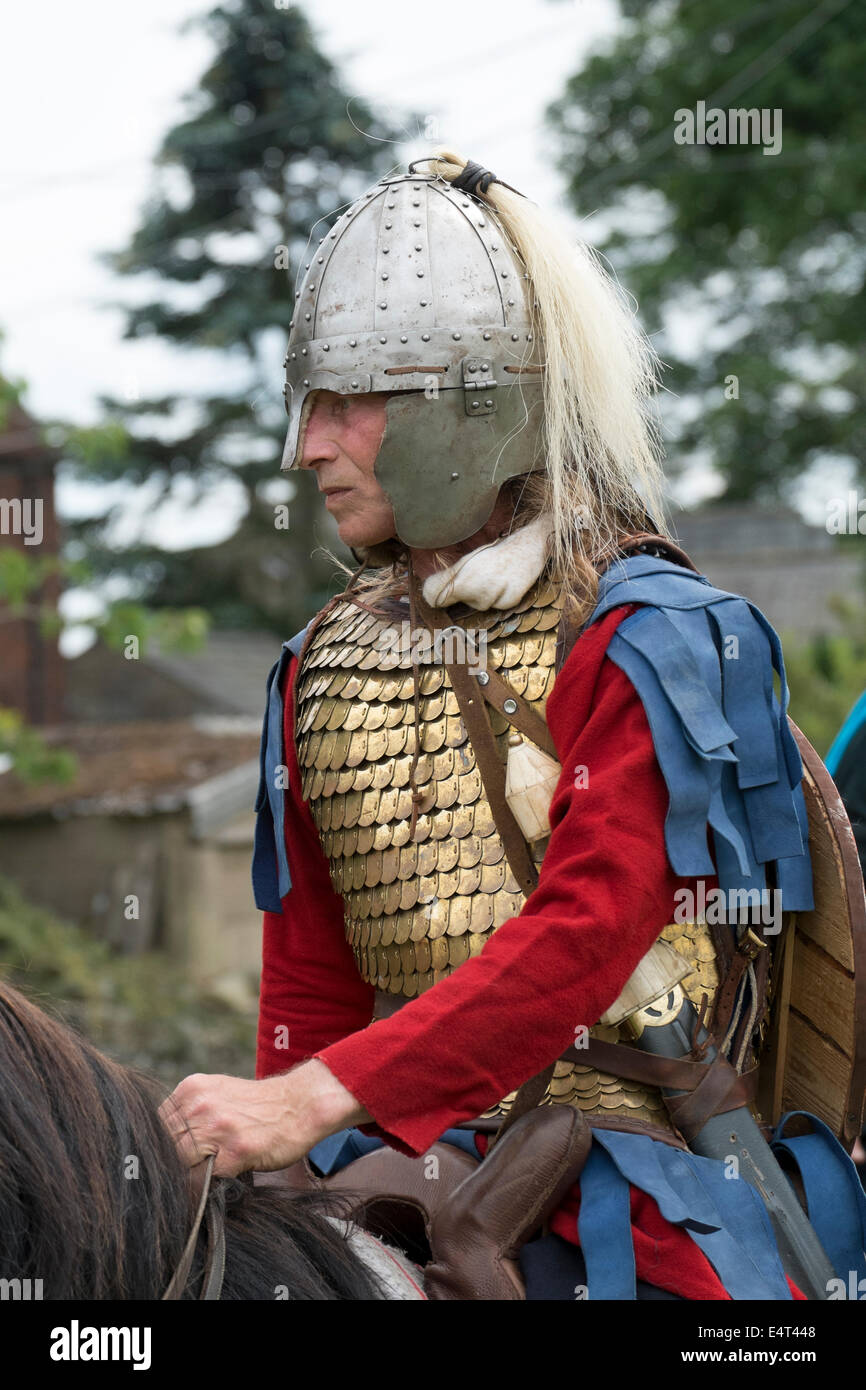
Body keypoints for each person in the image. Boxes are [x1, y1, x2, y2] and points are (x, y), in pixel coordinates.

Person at [162, 150, 865, 1300]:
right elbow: (307, 994)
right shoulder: (318, 669)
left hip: (633, 1196)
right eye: (309, 404)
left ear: (469, 404)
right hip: (387, 1167)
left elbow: (584, 938)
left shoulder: (652, 633)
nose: (309, 446)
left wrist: (311, 1098)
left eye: (349, 403)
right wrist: (278, 1162)